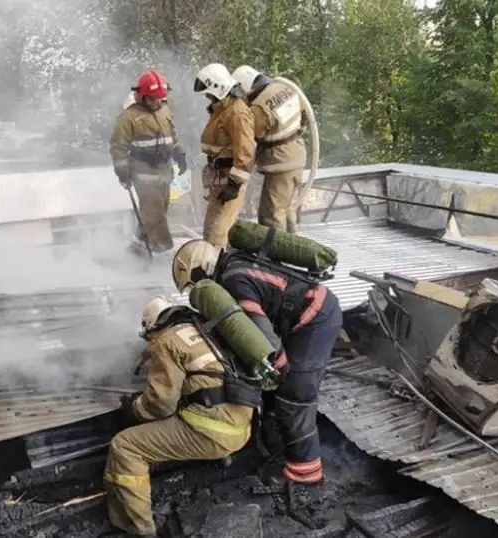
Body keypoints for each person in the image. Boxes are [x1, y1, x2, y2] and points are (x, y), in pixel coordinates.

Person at [170, 238, 343, 524]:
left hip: (315, 319)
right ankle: (284, 447)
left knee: (294, 398)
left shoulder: (234, 282)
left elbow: (264, 339)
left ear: (202, 272)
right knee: (285, 392)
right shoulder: (236, 261)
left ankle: (306, 474)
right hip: (308, 308)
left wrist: (279, 368)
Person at [103, 296, 257, 537]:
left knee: (125, 447)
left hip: (212, 432)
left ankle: (138, 528)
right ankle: (220, 459)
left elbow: (160, 404)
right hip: (243, 427)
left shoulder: (166, 341)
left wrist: (133, 407)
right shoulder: (203, 329)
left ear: (151, 326)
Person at [110, 70, 188, 254]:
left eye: (160, 99)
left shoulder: (164, 110)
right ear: (142, 96)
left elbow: (172, 135)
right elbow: (117, 147)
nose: (157, 103)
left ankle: (137, 247)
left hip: (164, 172)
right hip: (143, 175)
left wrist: (179, 154)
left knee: (158, 213)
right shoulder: (128, 118)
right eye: (153, 99)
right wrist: (123, 172)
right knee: (155, 217)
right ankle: (161, 254)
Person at [232, 65, 307, 233]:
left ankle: (275, 255)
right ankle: (292, 249)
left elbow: (251, 137)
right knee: (287, 209)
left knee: (271, 214)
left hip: (280, 162)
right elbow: (304, 117)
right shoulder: (286, 87)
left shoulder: (259, 108)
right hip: (297, 155)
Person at [192, 63, 256, 249]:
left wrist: (234, 185)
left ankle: (217, 271)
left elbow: (245, 153)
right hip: (219, 178)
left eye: (209, 94)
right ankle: (215, 268)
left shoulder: (237, 113)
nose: (207, 97)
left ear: (218, 88)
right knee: (212, 229)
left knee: (216, 233)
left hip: (229, 180)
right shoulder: (222, 110)